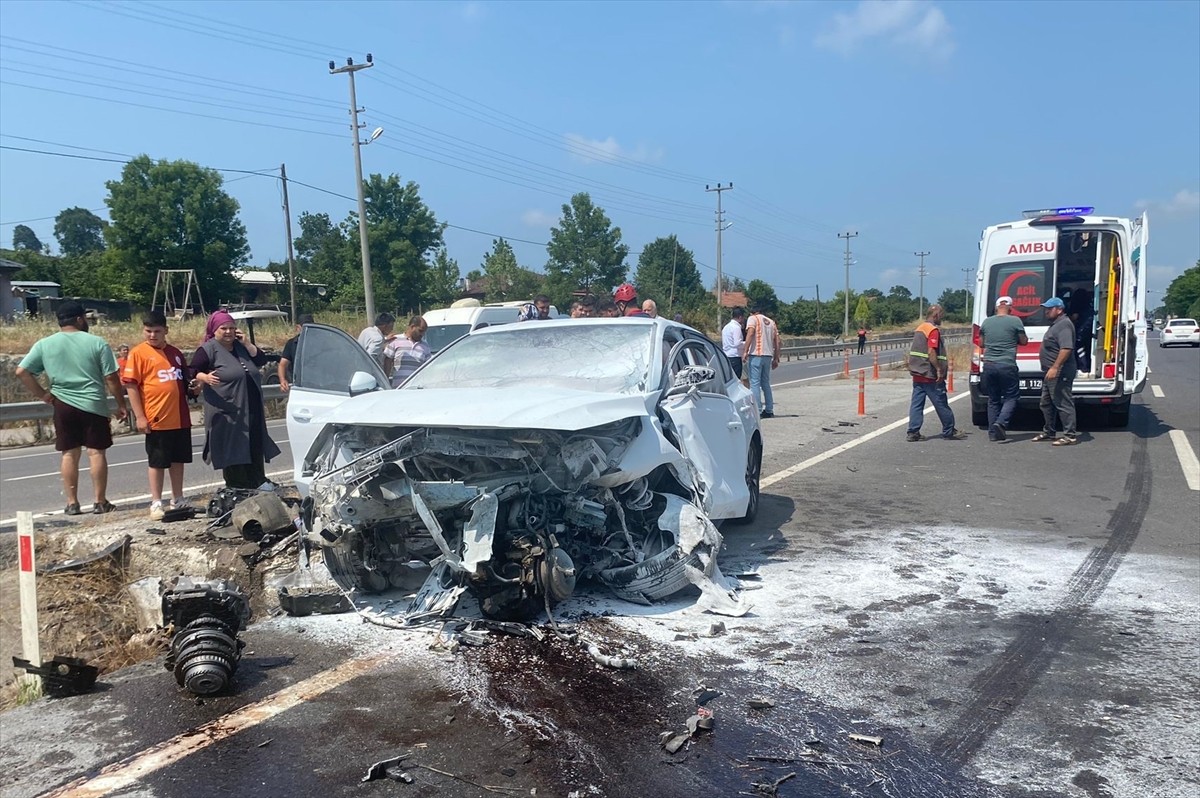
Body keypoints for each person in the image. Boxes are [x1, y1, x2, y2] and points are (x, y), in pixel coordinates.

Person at [15, 300, 128, 514]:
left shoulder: (44, 344)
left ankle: (72, 503)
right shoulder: (97, 342)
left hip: (63, 403)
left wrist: (43, 395)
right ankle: (100, 501)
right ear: (79, 319)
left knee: (69, 453)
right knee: (96, 453)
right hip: (92, 403)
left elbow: (22, 372)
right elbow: (112, 377)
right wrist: (120, 403)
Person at [191, 310, 281, 489]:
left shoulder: (240, 347)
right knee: (234, 450)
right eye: (223, 328)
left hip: (250, 408)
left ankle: (258, 481)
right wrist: (204, 378)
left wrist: (247, 343)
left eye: (232, 328)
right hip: (228, 411)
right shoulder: (208, 349)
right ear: (214, 329)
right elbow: (191, 371)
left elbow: (260, 360)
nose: (228, 332)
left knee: (253, 444)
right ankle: (238, 487)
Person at [123, 311, 193, 519]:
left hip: (179, 416)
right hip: (156, 417)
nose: (152, 335)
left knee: (178, 460)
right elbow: (131, 386)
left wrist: (194, 388)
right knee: (157, 461)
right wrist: (140, 416)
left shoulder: (176, 354)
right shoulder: (138, 354)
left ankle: (177, 498)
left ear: (166, 331)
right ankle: (156, 501)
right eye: (148, 331)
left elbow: (183, 381)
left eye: (157, 331)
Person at [906, 304, 967, 441]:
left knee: (917, 404)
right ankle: (949, 430)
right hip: (930, 374)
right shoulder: (932, 330)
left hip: (918, 373)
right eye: (941, 315)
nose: (942, 317)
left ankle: (913, 432)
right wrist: (939, 369)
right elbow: (931, 352)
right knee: (941, 402)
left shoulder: (920, 328)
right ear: (935, 315)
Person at [978, 296, 1028, 442]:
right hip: (1007, 364)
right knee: (1011, 397)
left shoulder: (986, 322)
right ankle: (1001, 422)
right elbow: (1023, 341)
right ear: (1010, 308)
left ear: (996, 307)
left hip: (989, 364)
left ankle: (993, 433)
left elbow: (981, 343)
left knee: (993, 399)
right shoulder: (1015, 321)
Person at [1032, 297, 1078, 445]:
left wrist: (1055, 367)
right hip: (1050, 372)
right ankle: (1049, 431)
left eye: (1049, 309)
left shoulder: (1064, 325)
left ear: (1059, 309)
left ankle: (1069, 435)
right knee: (1045, 403)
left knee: (1063, 403)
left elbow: (1066, 348)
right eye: (1046, 308)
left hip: (1060, 372)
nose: (1046, 311)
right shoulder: (1056, 324)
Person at [743, 301, 781, 417]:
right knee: (765, 383)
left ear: (752, 311)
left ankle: (758, 410)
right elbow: (777, 341)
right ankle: (769, 410)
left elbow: (750, 333)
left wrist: (745, 351)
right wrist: (776, 358)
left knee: (755, 383)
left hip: (756, 354)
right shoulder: (771, 322)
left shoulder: (753, 319)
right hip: (768, 355)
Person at [383, 316, 431, 387]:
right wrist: (385, 381)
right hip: (399, 387)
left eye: (424, 332)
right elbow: (388, 361)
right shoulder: (396, 340)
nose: (422, 334)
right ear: (412, 327)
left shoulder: (425, 346)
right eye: (420, 331)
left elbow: (428, 367)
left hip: (417, 388)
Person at [277, 313, 314, 393]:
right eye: (305, 328)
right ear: (298, 328)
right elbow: (282, 364)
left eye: (310, 327)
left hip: (316, 385)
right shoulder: (291, 344)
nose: (308, 330)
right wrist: (283, 380)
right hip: (298, 385)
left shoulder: (320, 343)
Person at [722, 308, 746, 379]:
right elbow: (737, 343)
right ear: (740, 317)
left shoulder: (726, 327)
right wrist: (747, 343)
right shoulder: (736, 327)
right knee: (736, 379)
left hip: (727, 356)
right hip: (735, 357)